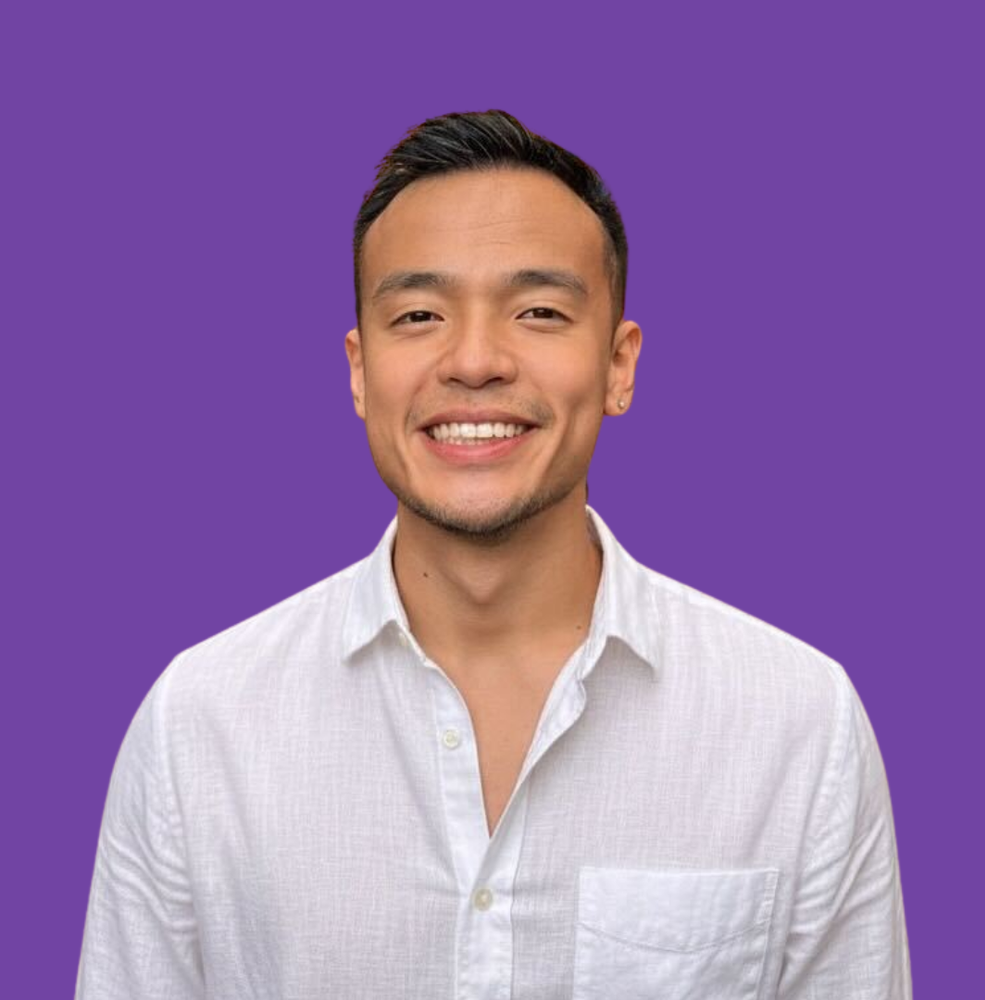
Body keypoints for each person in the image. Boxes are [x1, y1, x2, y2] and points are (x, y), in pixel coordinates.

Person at [76, 109, 911, 999]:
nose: (474, 360)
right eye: (419, 315)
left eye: (539, 311)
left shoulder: (797, 725)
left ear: (619, 365)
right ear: (359, 371)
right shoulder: (200, 725)